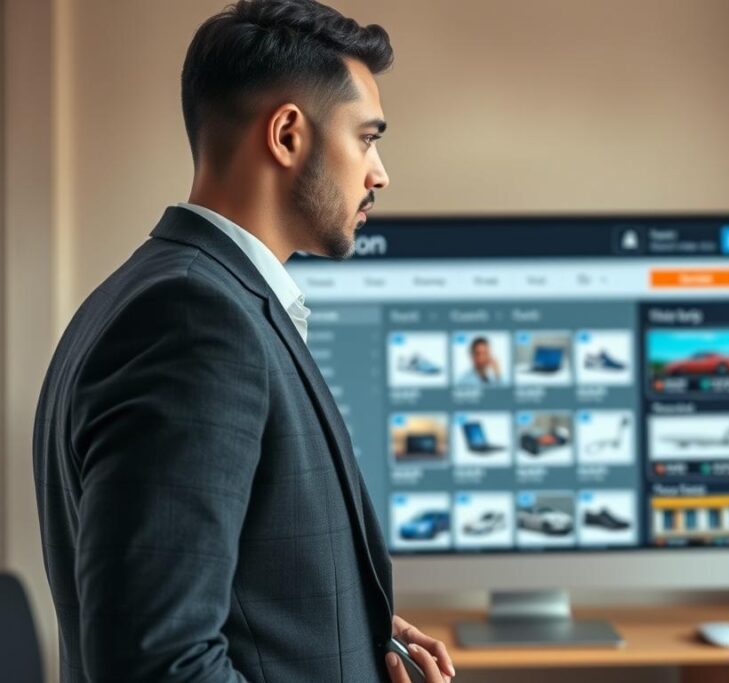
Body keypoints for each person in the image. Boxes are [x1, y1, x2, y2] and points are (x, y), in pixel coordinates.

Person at [32, 1, 454, 681]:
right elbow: (161, 664)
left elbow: (232, 593)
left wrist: (347, 634)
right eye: (367, 137)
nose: (379, 173)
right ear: (288, 134)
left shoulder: (167, 293)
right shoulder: (193, 319)